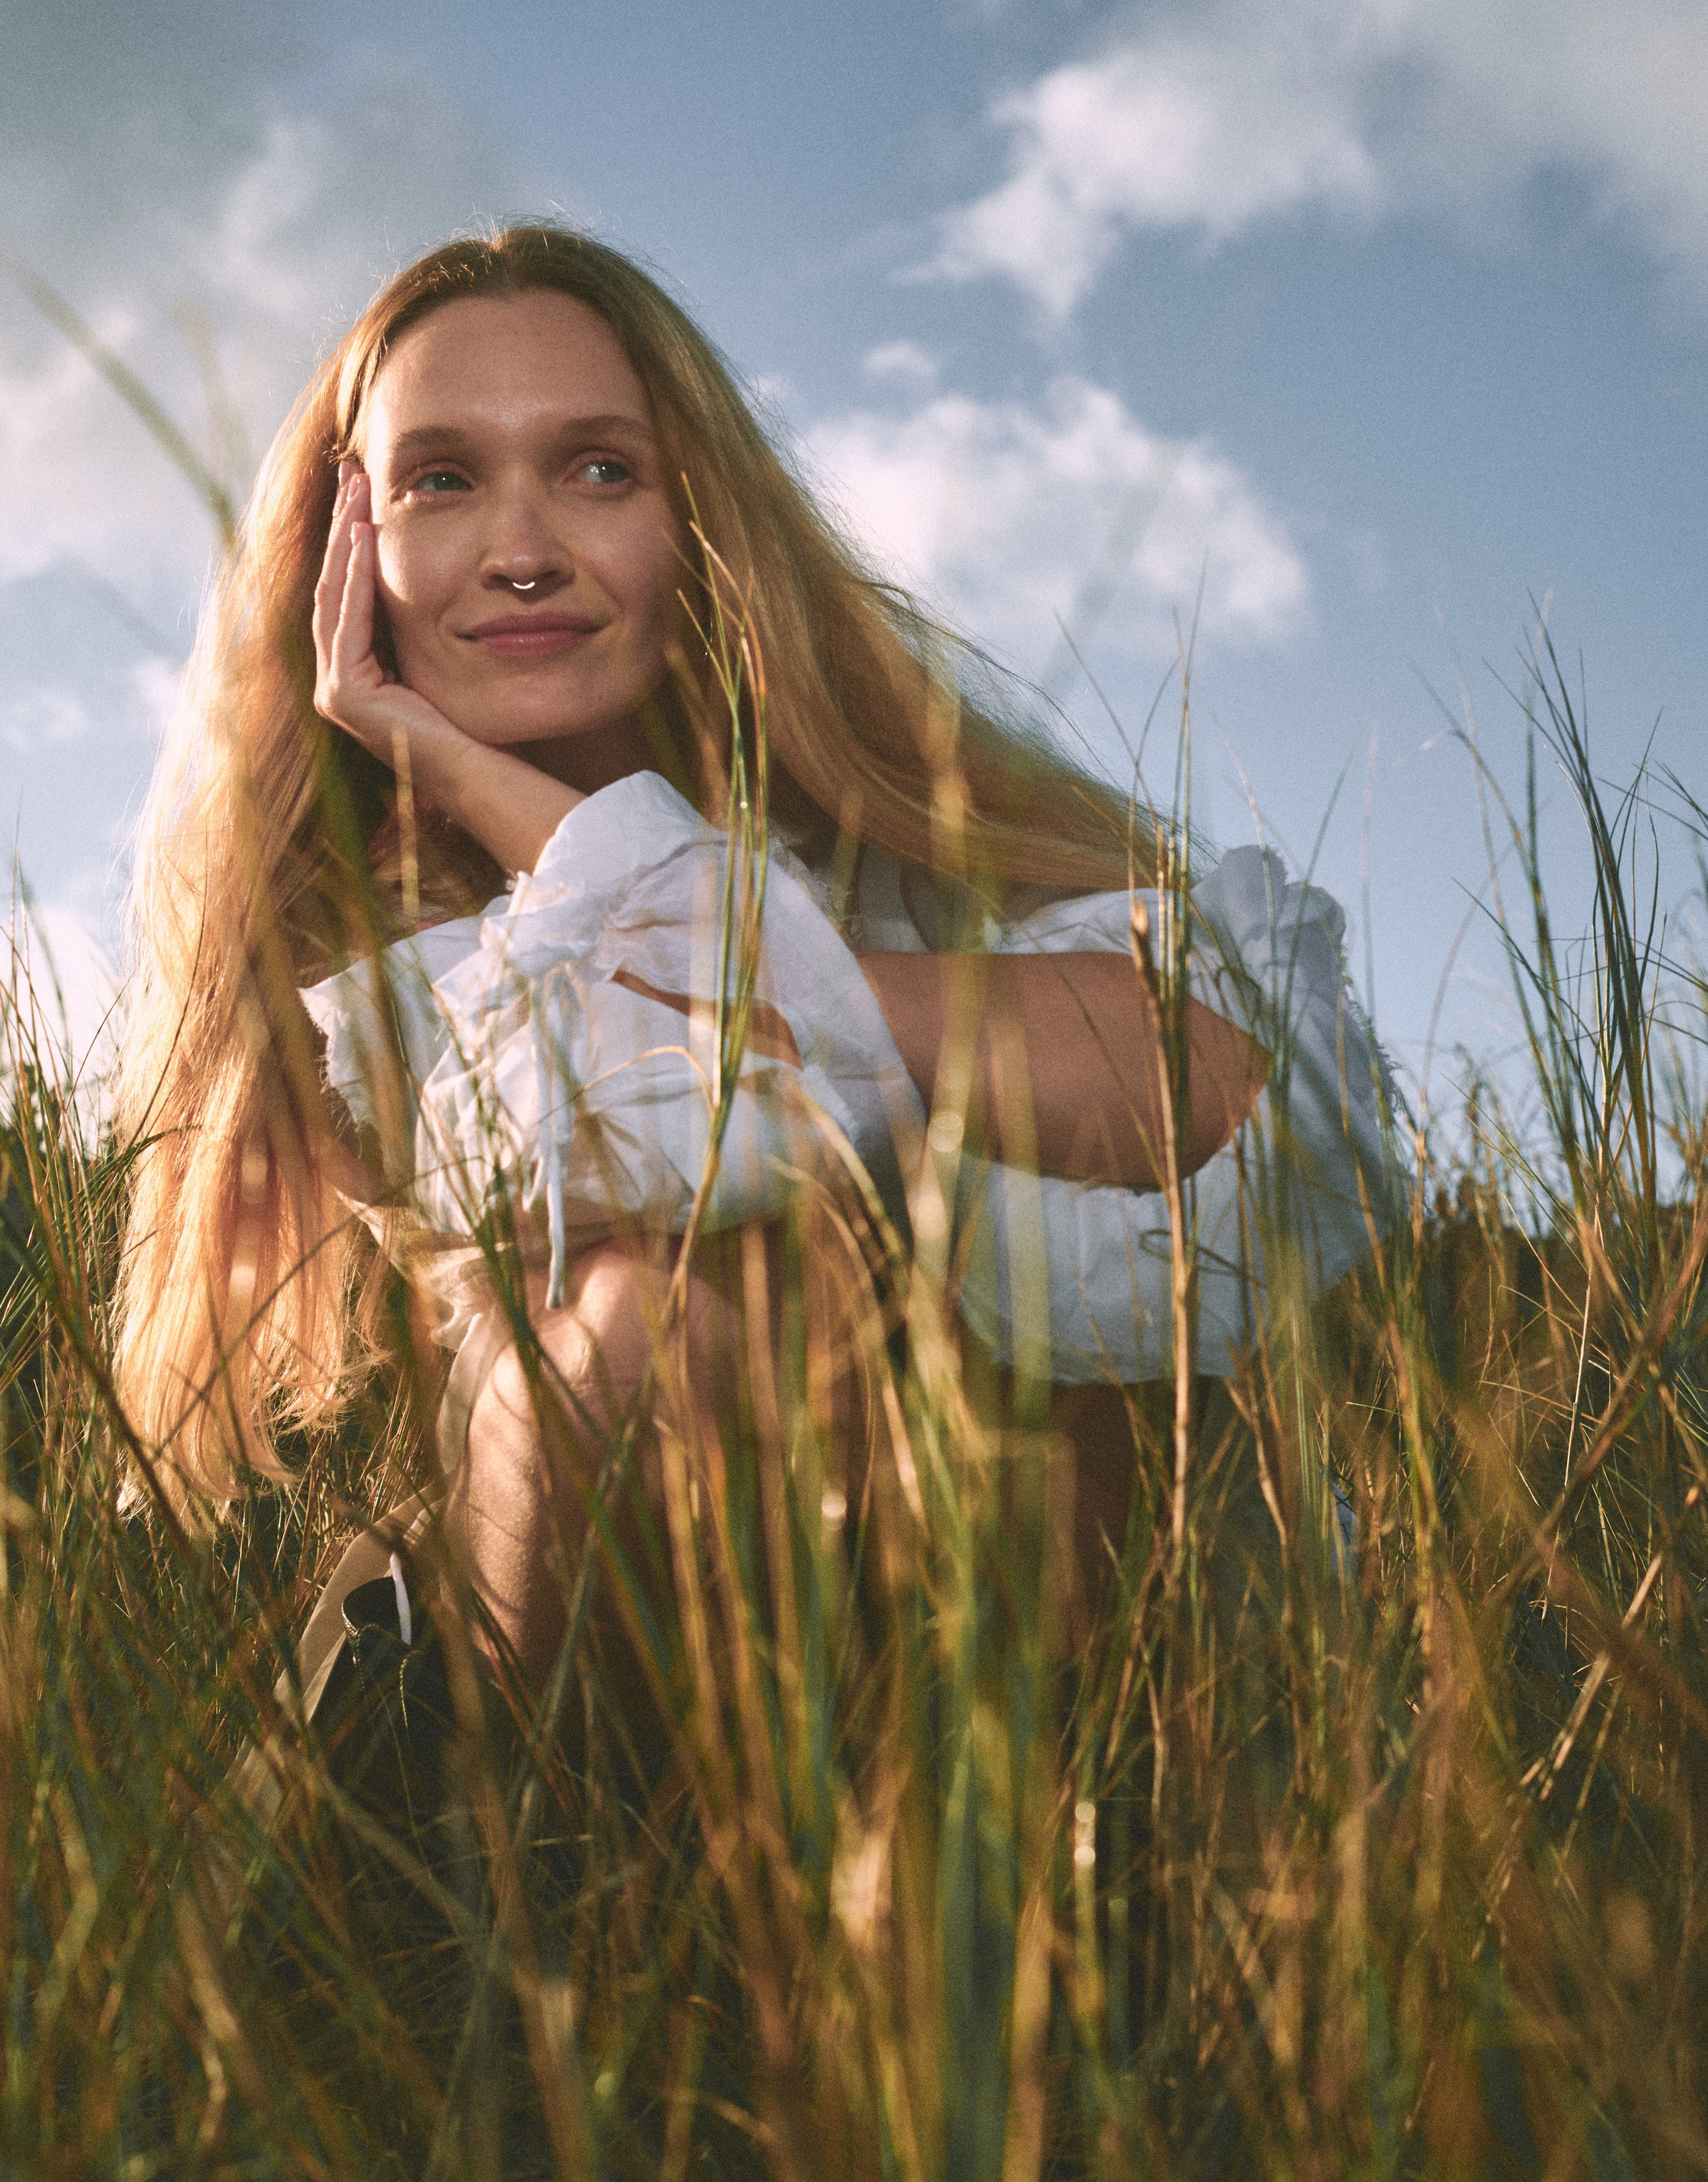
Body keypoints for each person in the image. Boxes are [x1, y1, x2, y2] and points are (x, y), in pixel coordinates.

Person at [111, 224, 1392, 1732]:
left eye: (598, 470)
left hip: (1021, 1628)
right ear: (353, 547)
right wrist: (475, 793)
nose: (522, 547)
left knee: (1055, 1365)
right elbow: (685, 1159)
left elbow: (1219, 1091)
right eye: (440, 479)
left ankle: (1058, 1889)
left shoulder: (918, 822)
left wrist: (599, 849)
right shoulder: (368, 937)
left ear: (700, 518)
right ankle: (538, 1868)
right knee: (690, 1295)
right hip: (592, 1635)